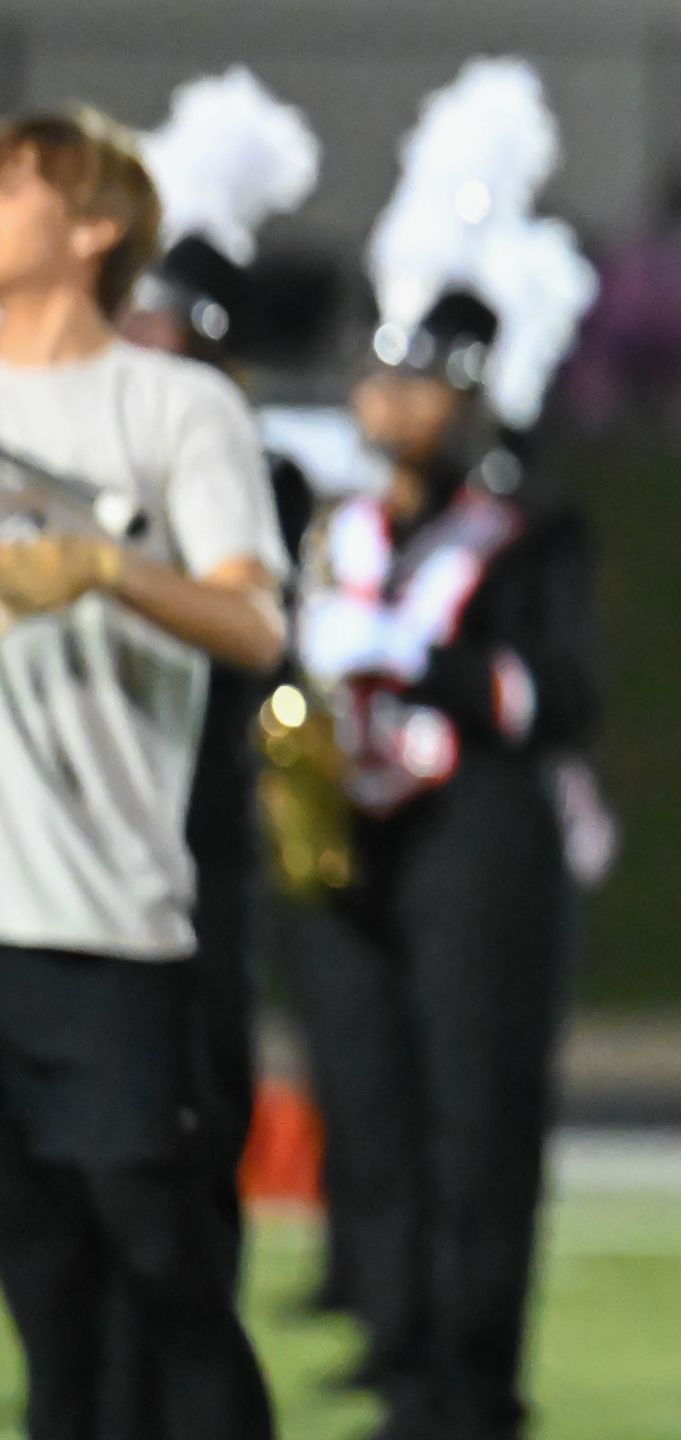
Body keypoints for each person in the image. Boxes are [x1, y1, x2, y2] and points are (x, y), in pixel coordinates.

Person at [0, 108, 281, 1440]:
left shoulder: (174, 405)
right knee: (46, 1297)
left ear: (96, 225)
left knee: (165, 1270)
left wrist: (105, 568)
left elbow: (254, 622)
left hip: (109, 926)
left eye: (13, 186)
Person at [289, 280, 599, 1440]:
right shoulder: (335, 524)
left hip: (479, 837)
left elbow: (562, 696)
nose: (391, 401)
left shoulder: (533, 528)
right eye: (380, 379)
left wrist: (420, 662)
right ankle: (403, 1368)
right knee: (371, 1108)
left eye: (416, 381)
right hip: (354, 830)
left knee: (478, 1120)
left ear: (466, 397)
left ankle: (474, 1390)